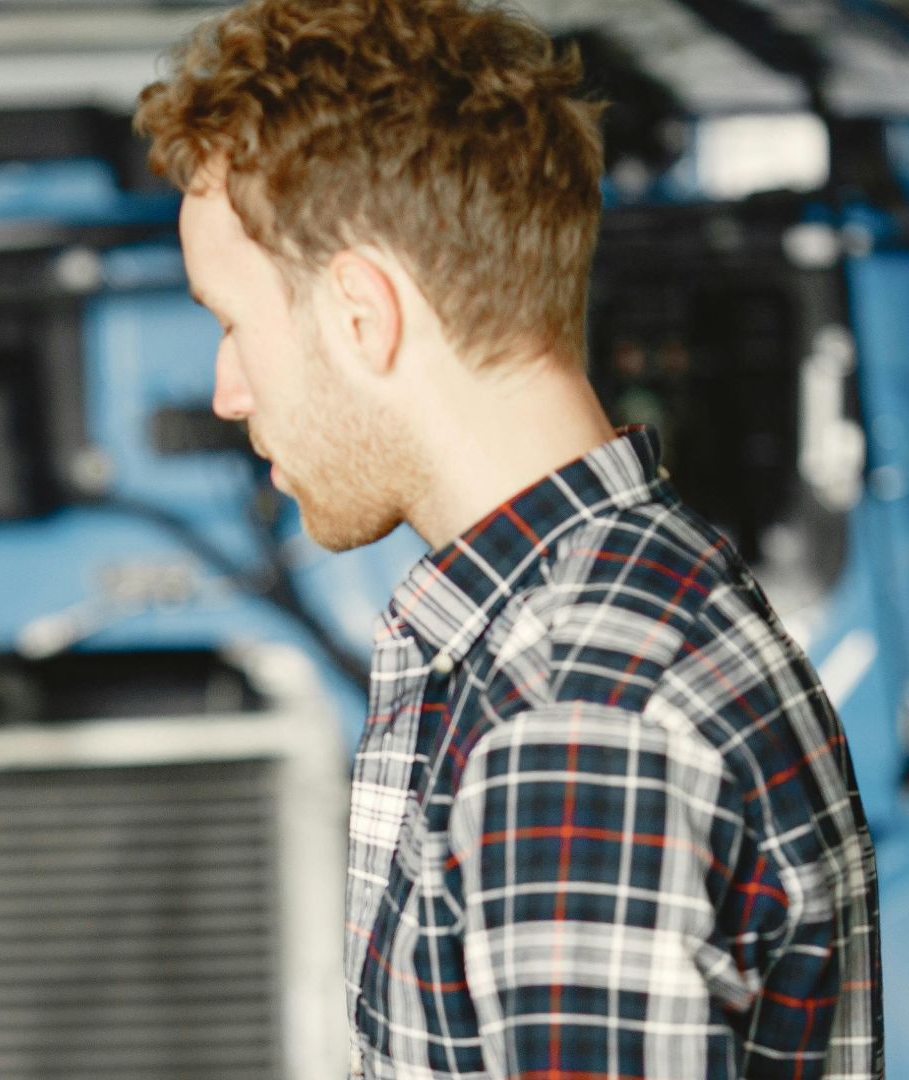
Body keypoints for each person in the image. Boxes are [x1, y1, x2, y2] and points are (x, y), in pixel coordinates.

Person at [137, 1, 882, 1077]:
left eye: (231, 321)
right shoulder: (602, 630)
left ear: (361, 312)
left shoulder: (575, 713)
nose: (226, 390)